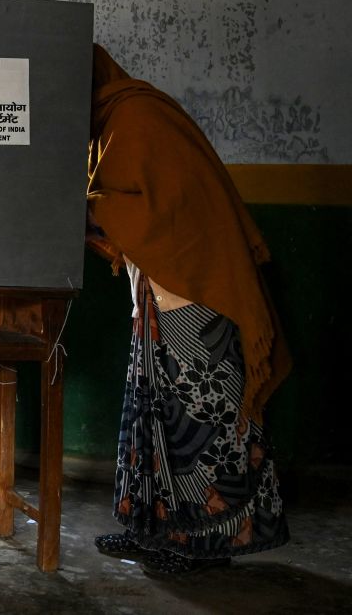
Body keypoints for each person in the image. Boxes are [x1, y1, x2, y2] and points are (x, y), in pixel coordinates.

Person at [85, 44, 291, 576]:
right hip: (160, 295)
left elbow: (158, 210)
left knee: (204, 425)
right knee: (156, 421)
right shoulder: (108, 125)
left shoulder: (137, 115)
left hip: (199, 294)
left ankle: (207, 548)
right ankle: (157, 533)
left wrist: (88, 203)